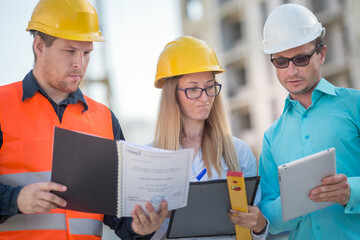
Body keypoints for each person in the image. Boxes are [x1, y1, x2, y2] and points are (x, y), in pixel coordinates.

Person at [0, 0, 167, 239]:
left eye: (86, 53)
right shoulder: (2, 106)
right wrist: (15, 200)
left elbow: (117, 211)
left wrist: (140, 228)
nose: (80, 63)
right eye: (70, 51)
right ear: (39, 46)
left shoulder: (105, 119)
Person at [149, 36, 268, 240]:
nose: (205, 97)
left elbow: (251, 233)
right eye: (193, 88)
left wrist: (259, 225)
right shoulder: (150, 159)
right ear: (172, 94)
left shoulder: (239, 152)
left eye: (210, 86)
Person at [258, 3, 360, 239]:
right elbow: (267, 220)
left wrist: (350, 192)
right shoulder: (271, 138)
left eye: (301, 59)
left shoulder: (355, 106)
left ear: (322, 54)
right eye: (281, 62)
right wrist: (294, 202)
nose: (291, 71)